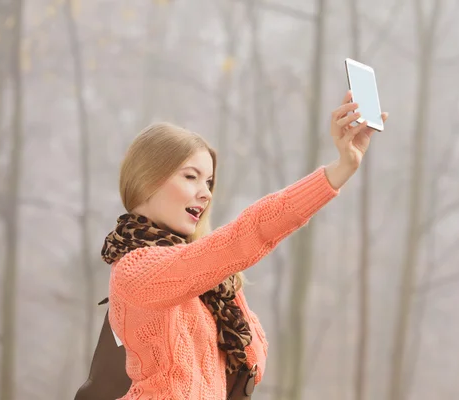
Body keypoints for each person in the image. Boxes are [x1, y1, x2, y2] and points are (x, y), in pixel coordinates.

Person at [95, 90, 388, 399]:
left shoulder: (210, 283)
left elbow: (254, 363)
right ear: (147, 179)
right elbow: (248, 235)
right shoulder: (135, 270)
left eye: (208, 182)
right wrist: (336, 172)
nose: (206, 193)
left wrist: (227, 288)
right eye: (191, 177)